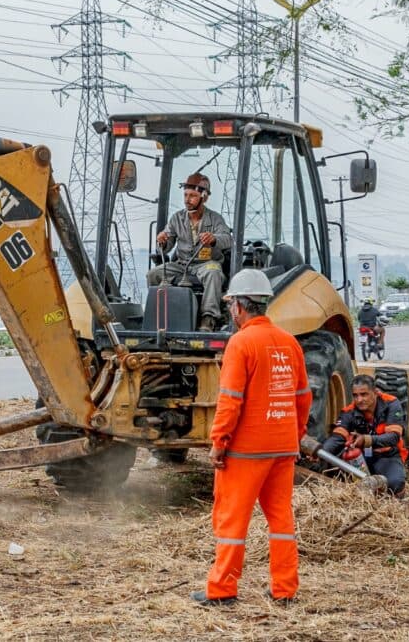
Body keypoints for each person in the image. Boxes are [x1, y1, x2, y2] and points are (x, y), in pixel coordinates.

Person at [190, 269, 312, 607]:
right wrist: (295, 435)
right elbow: (303, 398)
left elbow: (230, 399)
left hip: (246, 451)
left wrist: (219, 441)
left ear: (241, 307)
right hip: (282, 448)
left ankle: (222, 590)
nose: (230, 310)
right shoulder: (289, 342)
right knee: (281, 520)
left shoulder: (241, 343)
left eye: (230, 304)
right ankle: (284, 588)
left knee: (231, 520)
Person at [146, 172, 233, 332]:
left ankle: (208, 318)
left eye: (192, 195)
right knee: (153, 274)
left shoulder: (215, 219)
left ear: (204, 197)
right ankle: (157, 315)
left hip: (206, 264)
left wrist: (213, 239)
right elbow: (168, 244)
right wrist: (163, 240)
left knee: (213, 272)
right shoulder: (176, 219)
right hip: (182, 265)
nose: (187, 199)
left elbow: (227, 239)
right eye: (185, 195)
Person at [321, 374, 408, 497]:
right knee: (337, 480)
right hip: (361, 458)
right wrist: (320, 451)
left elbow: (393, 438)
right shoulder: (348, 412)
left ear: (375, 392)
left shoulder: (391, 404)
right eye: (355, 395)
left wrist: (366, 440)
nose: (359, 400)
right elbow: (337, 438)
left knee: (395, 485)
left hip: (387, 456)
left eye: (364, 394)